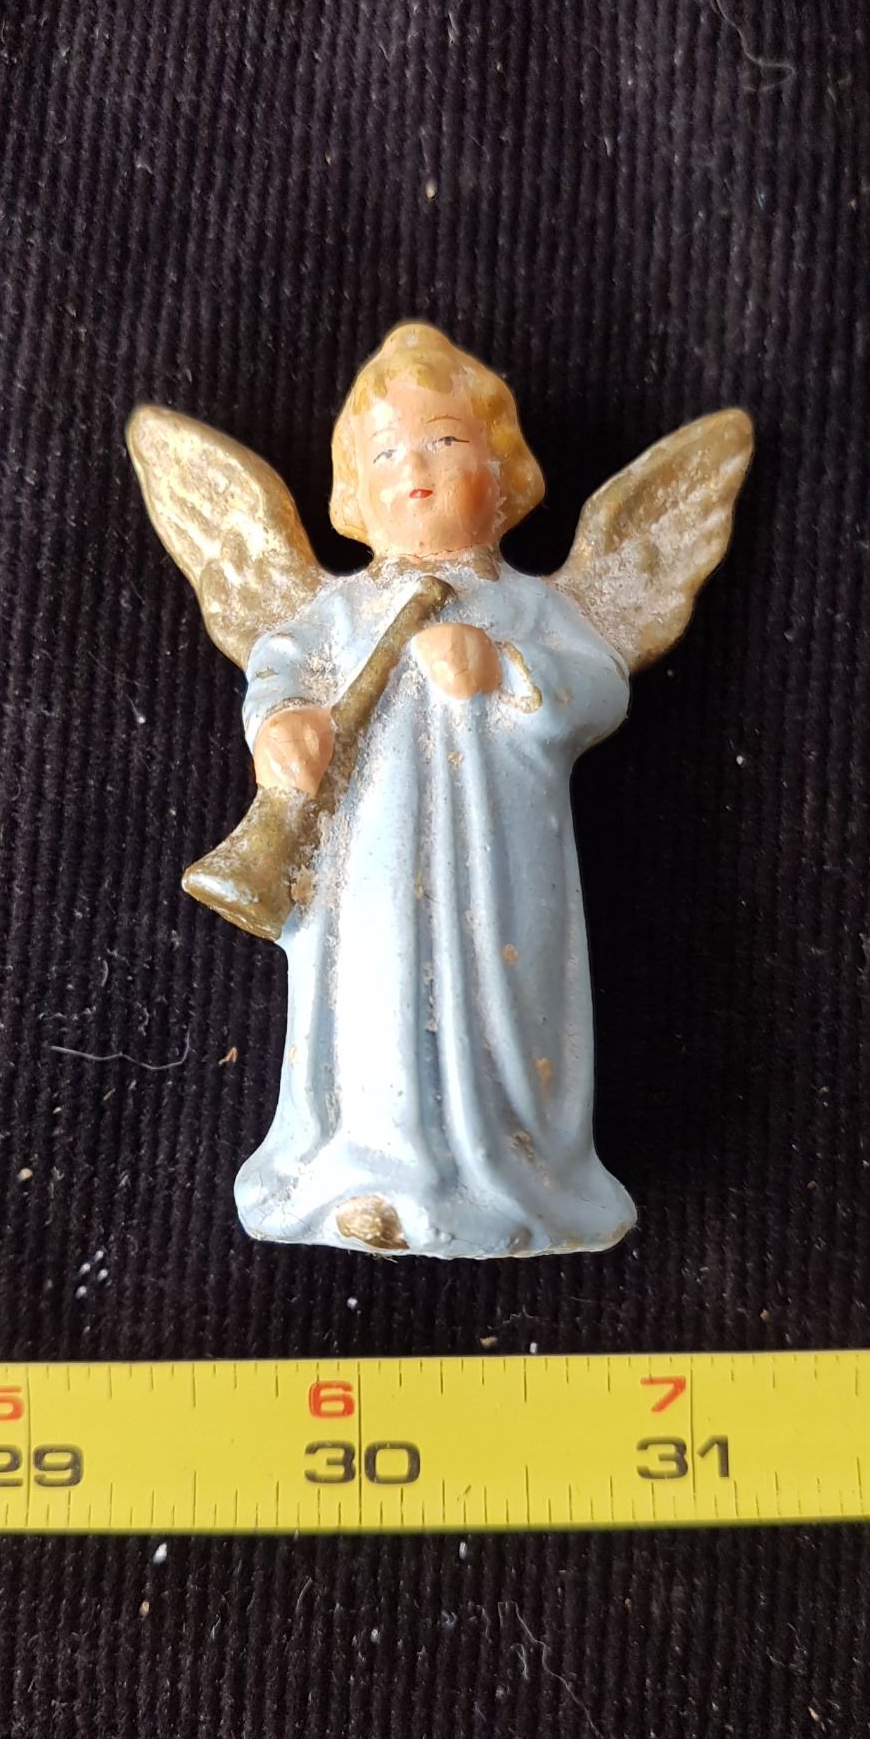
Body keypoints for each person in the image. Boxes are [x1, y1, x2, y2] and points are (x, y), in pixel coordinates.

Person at [235, 323, 637, 1256]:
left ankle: (520, 1178)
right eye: (384, 454)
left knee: (512, 1006)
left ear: (503, 473)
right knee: (371, 999)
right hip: (368, 869)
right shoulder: (338, 613)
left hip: (505, 864)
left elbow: (601, 687)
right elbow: (277, 670)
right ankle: (365, 1174)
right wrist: (282, 725)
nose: (413, 469)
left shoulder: (530, 606)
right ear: (354, 491)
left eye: (445, 441)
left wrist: (506, 668)